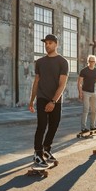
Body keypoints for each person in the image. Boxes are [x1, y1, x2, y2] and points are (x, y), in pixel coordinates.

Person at [29, 34, 69, 168]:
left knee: (54, 125)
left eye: (50, 43)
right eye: (46, 43)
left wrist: (53, 101)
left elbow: (62, 84)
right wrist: (31, 100)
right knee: (42, 125)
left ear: (56, 44)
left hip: (55, 99)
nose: (47, 45)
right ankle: (38, 153)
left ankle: (46, 148)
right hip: (42, 97)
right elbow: (36, 82)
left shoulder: (63, 62)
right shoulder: (40, 62)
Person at [77, 55, 96, 134]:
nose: (92, 63)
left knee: (94, 110)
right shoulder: (84, 71)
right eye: (90, 61)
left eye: (93, 61)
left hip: (93, 92)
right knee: (86, 109)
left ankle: (92, 126)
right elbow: (79, 82)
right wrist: (80, 92)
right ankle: (83, 127)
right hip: (85, 92)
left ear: (95, 62)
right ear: (88, 62)